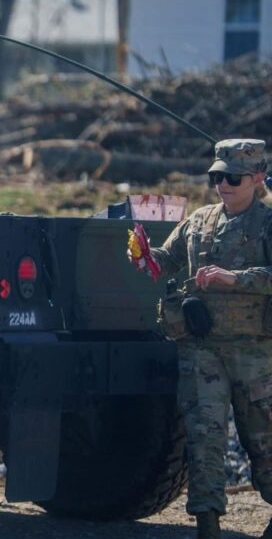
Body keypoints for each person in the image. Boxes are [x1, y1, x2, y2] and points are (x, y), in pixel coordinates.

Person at [140, 138, 272, 539]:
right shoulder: (199, 221)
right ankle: (207, 522)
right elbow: (168, 259)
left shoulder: (267, 222)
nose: (223, 185)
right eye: (217, 177)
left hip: (254, 353)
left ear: (257, 178)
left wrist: (236, 279)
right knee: (203, 437)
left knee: (263, 439)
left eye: (233, 178)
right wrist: (146, 257)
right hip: (203, 349)